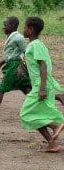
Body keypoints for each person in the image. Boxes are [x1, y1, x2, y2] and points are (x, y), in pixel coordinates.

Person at [0, 16, 64, 124]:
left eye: (6, 25)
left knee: (1, 89)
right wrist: (1, 62)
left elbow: (25, 53)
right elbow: (11, 54)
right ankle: (58, 98)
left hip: (14, 68)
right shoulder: (12, 37)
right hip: (13, 66)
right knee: (28, 89)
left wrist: (21, 66)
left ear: (13, 26)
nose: (3, 28)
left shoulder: (20, 38)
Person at [20, 16, 64, 152]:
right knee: (39, 114)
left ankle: (56, 126)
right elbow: (36, 64)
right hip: (40, 84)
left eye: (25, 27)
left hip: (41, 84)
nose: (23, 30)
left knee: (26, 114)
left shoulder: (36, 45)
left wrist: (42, 88)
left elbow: (43, 66)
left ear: (31, 29)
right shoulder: (35, 45)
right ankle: (52, 143)